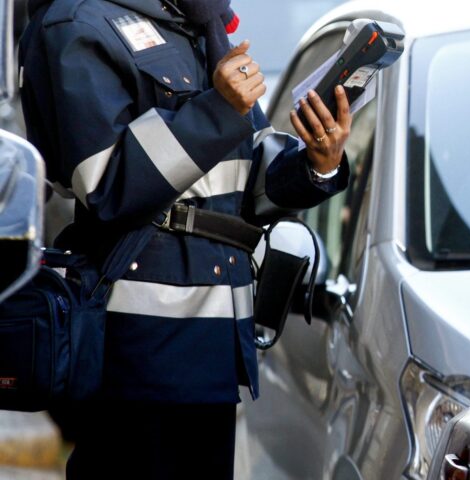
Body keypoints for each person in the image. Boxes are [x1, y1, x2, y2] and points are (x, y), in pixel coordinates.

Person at [18, 0, 352, 477]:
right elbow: (104, 182)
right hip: (140, 350)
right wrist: (217, 109)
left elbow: (245, 186)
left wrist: (319, 163)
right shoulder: (77, 21)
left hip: (213, 346)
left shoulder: (195, 24)